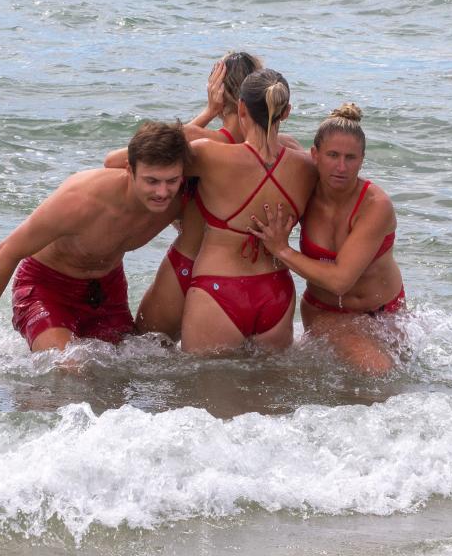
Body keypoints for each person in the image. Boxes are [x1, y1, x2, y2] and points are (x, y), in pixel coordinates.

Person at [0, 121, 191, 360]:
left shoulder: (176, 201)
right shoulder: (81, 200)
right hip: (46, 288)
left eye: (171, 181)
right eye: (151, 181)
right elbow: (7, 251)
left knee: (119, 377)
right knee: (68, 366)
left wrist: (208, 114)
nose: (162, 192)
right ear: (129, 170)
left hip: (107, 291)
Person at [102, 52, 263, 338]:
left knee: (146, 350)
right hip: (258, 277)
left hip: (189, 264)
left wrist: (205, 115)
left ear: (219, 93)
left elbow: (114, 161)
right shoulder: (277, 152)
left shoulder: (201, 144)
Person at [247, 103, 405, 375]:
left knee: (399, 380)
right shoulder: (302, 188)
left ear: (362, 160)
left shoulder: (375, 205)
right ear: (314, 155)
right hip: (327, 311)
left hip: (386, 311)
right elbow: (263, 145)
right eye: (332, 155)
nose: (341, 167)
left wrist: (282, 250)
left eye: (350, 157)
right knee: (379, 371)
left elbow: (341, 279)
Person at [180, 68, 317, 355]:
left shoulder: (210, 155)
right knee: (270, 397)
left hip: (217, 289)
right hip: (276, 292)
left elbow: (143, 156)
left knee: (203, 393)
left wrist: (207, 112)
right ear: (287, 111)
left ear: (241, 107)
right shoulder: (307, 168)